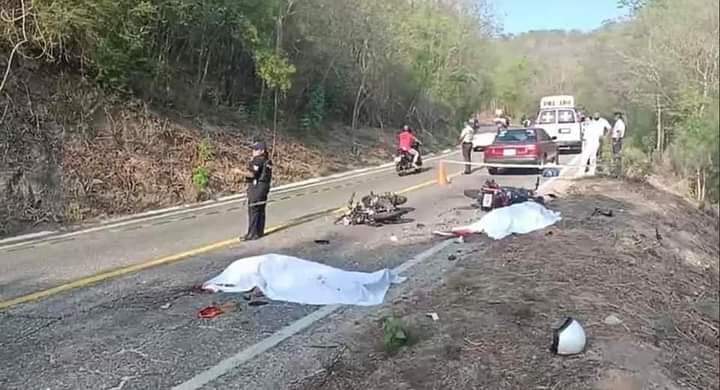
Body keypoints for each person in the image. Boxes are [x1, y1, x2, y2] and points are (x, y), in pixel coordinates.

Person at [243, 141, 273, 241]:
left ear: (262, 151)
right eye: (253, 149)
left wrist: (239, 172)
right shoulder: (267, 161)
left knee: (253, 210)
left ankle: (252, 234)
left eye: (256, 149)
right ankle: (259, 231)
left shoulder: (258, 160)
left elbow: (252, 174)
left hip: (257, 188)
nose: (253, 151)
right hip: (264, 187)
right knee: (260, 210)